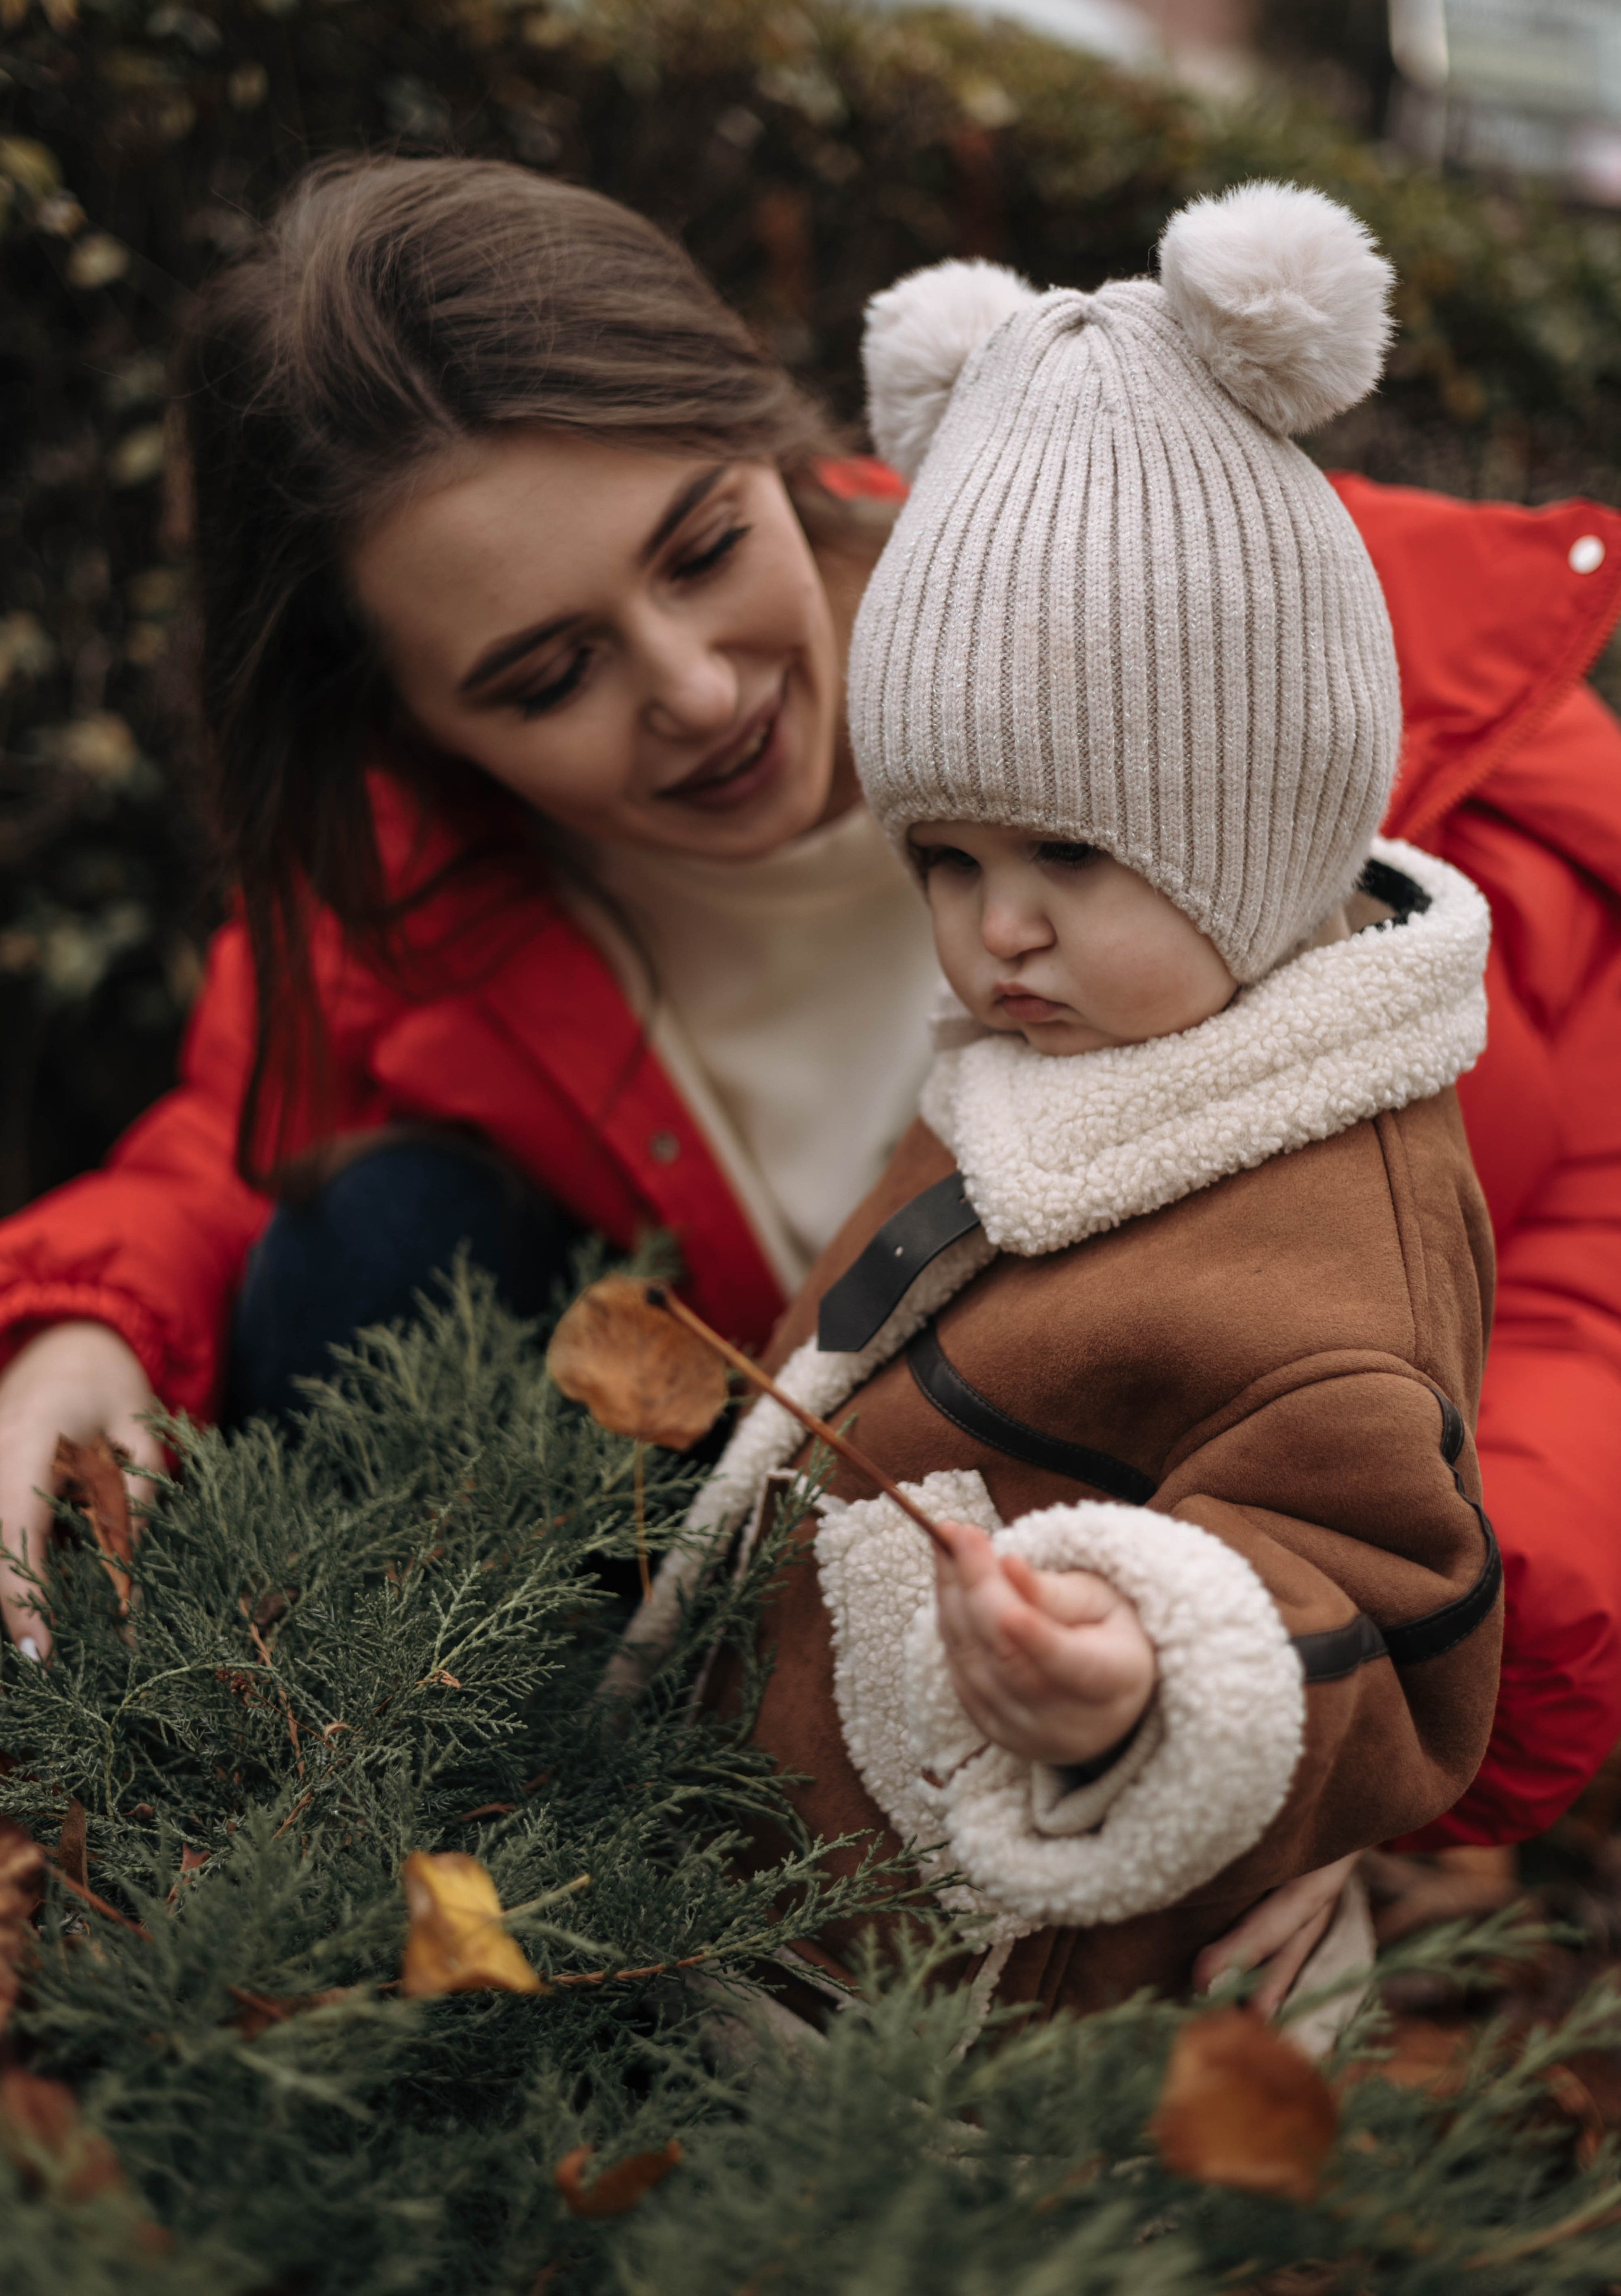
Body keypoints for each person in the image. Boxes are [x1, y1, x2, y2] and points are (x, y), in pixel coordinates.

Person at [0, 154, 1615, 1976]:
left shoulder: (1240, 652)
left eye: (706, 545)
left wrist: (1295, 1715)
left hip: (1185, 1596)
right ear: (409, 721)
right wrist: (86, 1314)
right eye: (545, 676)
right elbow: (242, 1128)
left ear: (780, 445)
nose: (694, 690)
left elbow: (1583, 1273)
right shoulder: (423, 874)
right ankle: (380, 1903)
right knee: (381, 1231)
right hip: (761, 1614)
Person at [624, 183, 1503, 2018]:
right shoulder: (1072, 1062)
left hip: (1043, 2018)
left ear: (1267, 823)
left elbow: (1382, 1589)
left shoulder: (1331, 1212)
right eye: (941, 854)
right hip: (830, 1917)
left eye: (1070, 853)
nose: (993, 926)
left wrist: (1156, 1683)